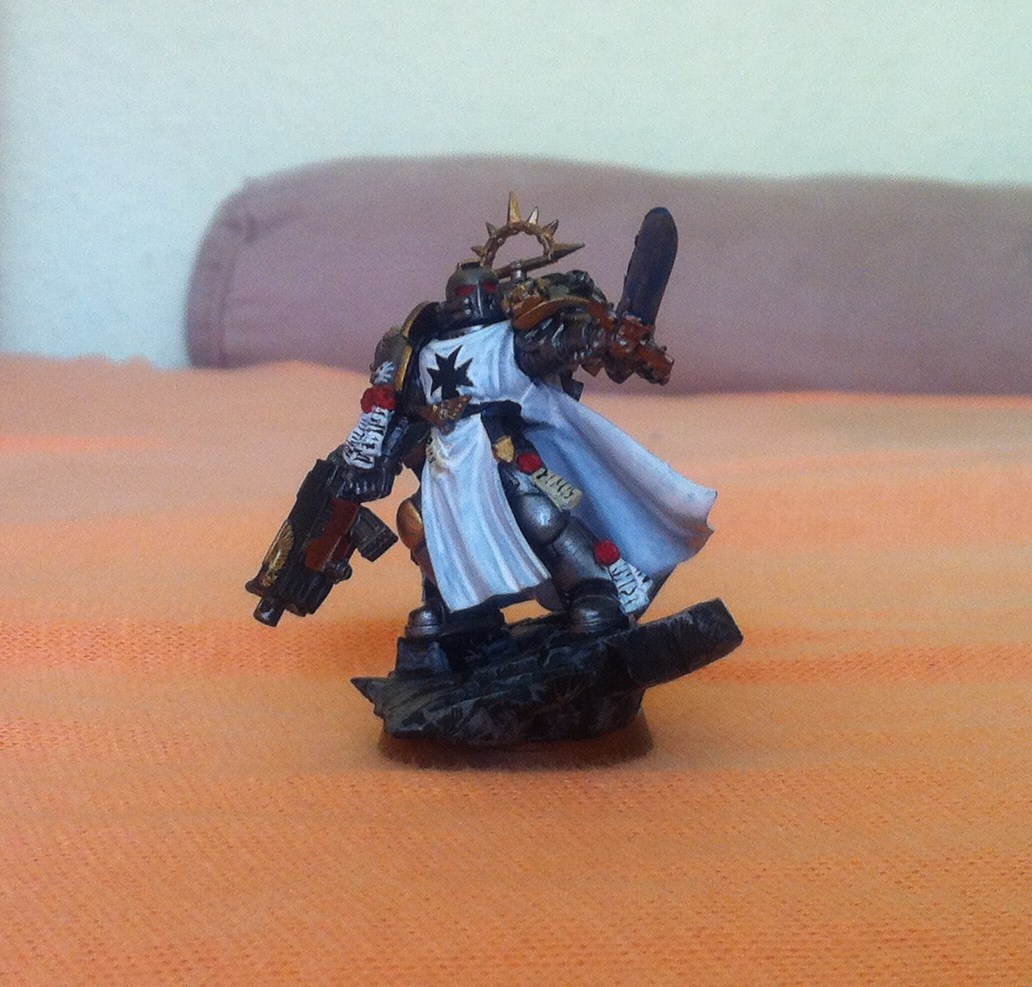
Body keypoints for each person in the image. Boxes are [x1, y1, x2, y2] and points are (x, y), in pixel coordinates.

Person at [327, 197, 716, 674]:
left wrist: (609, 337)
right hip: (446, 458)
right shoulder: (420, 348)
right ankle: (459, 610)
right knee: (420, 522)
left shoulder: (508, 338)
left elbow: (560, 344)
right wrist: (370, 459)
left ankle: (592, 588)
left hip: (502, 450)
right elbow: (396, 411)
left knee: (536, 512)